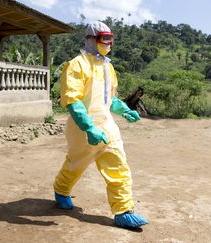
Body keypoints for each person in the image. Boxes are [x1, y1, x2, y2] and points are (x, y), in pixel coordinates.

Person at [52, 21, 149, 229]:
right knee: (75, 166)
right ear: (91, 40)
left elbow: (110, 99)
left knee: (119, 166)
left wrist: (125, 110)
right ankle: (61, 190)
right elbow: (73, 100)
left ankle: (123, 210)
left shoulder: (108, 67)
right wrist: (89, 128)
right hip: (81, 129)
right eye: (105, 39)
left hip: (107, 125)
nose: (109, 44)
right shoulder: (76, 65)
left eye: (111, 40)